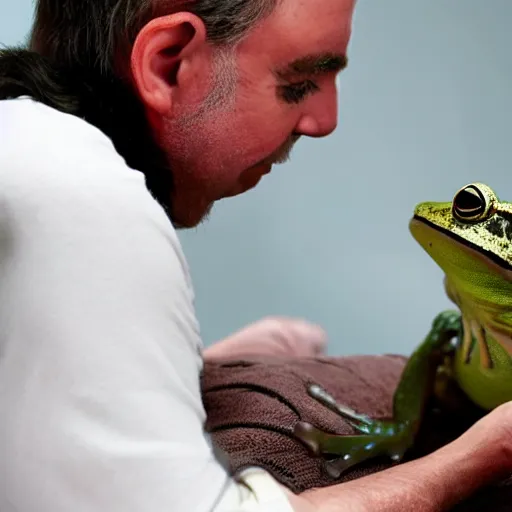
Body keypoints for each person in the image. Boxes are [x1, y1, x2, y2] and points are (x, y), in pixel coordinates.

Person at [0, 0, 510, 511]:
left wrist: (192, 366)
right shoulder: (86, 197)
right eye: (297, 82)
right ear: (168, 63)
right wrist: (482, 451)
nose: (325, 121)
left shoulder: (27, 146)